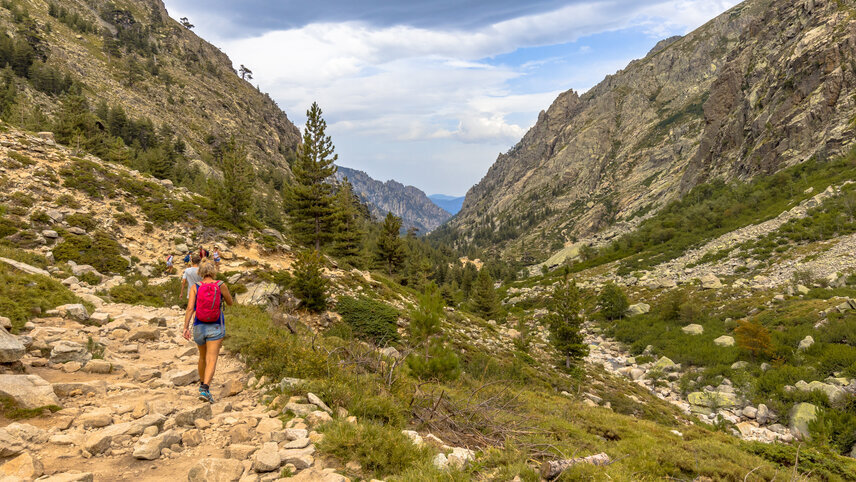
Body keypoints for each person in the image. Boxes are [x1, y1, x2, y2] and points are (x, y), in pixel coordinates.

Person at [183, 260, 233, 403]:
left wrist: (186, 327)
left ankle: (201, 384)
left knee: (202, 357)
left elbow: (190, 308)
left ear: (200, 272)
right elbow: (230, 303)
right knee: (212, 358)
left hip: (199, 325)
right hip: (216, 325)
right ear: (213, 271)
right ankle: (205, 389)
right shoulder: (220, 285)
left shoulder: (195, 287)